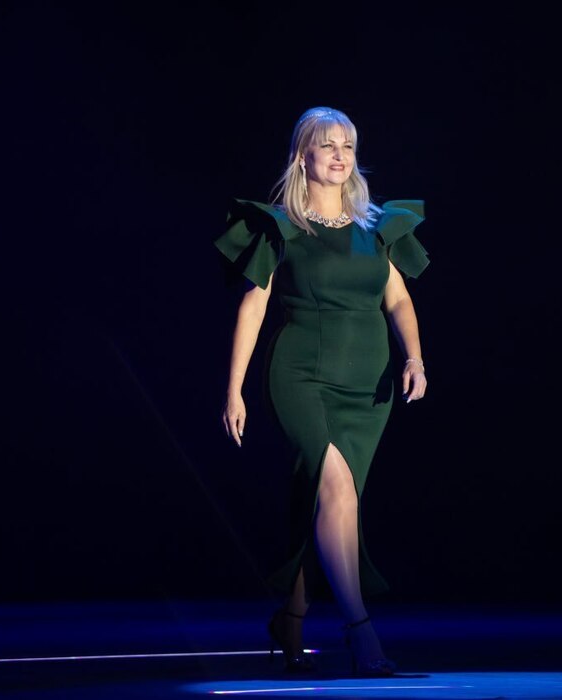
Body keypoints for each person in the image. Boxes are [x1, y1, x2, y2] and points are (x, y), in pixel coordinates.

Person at [217, 106, 429, 676]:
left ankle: (292, 614)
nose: (340, 155)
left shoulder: (374, 227)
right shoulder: (282, 227)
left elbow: (399, 300)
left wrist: (414, 357)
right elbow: (253, 307)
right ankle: (361, 632)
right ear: (303, 155)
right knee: (334, 488)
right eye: (328, 145)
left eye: (348, 146)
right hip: (301, 377)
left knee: (328, 501)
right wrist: (234, 389)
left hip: (367, 387)